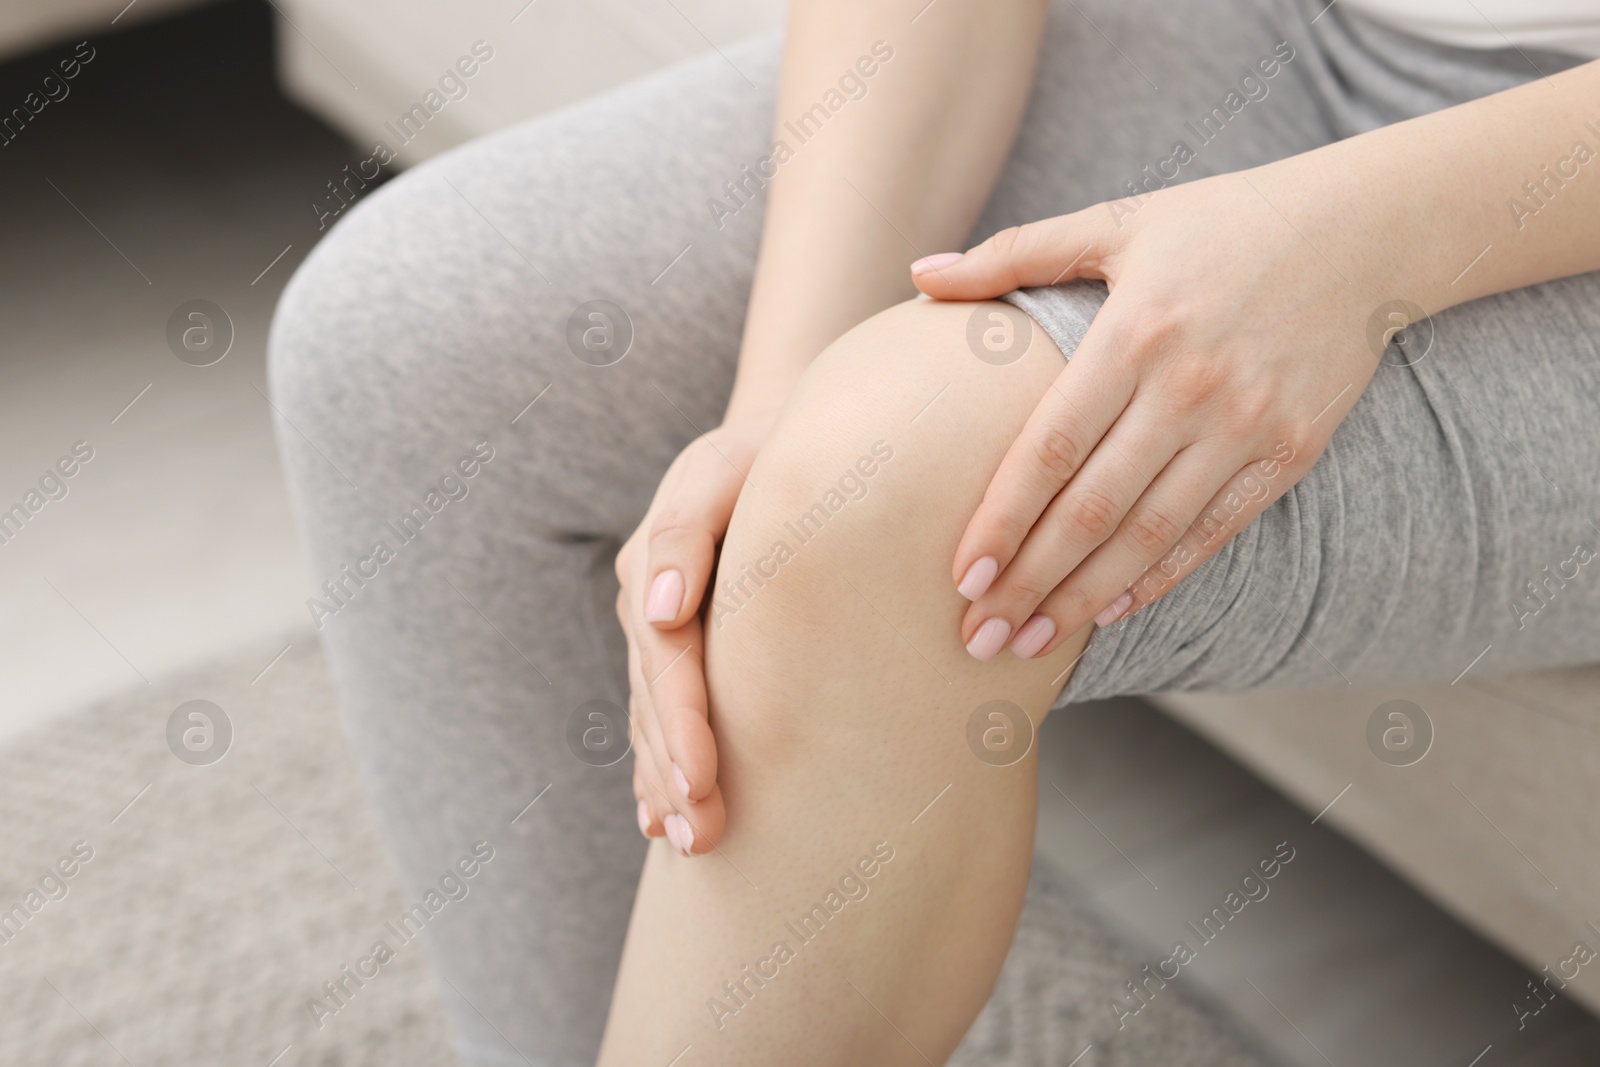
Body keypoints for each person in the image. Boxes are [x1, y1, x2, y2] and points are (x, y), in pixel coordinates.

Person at [267, 0, 1600, 1062]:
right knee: (400, 354)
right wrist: (772, 405)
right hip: (1324, 41)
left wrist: (1360, 245)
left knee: (888, 498)